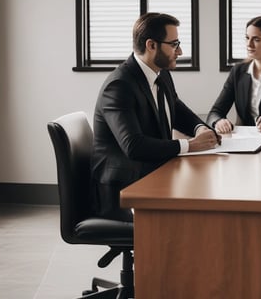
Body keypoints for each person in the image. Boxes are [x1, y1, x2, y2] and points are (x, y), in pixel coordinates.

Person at [92, 12, 220, 222]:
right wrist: (190, 145)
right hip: (122, 192)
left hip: (150, 175)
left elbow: (177, 109)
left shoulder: (161, 73)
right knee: (197, 210)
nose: (180, 51)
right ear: (151, 45)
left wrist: (200, 128)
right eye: (174, 44)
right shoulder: (119, 85)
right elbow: (133, 146)